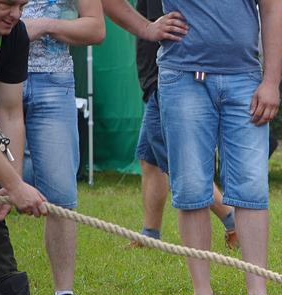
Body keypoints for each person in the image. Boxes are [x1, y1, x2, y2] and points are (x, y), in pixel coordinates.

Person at [156, 0, 282, 295]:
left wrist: (271, 82)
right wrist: (145, 27)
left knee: (252, 187)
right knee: (190, 188)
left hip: (246, 79)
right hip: (183, 77)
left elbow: (272, 11)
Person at [101, 0, 239, 250]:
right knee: (150, 159)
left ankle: (233, 221)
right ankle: (150, 234)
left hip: (167, 79)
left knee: (183, 165)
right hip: (157, 81)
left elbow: (169, 23)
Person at [20, 0, 104, 295]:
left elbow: (96, 28)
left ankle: (63, 294)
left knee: (61, 194)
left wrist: (43, 26)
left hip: (54, 84)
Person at [0, 0, 57, 295]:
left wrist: (7, 184)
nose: (15, 12)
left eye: (21, 4)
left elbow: (10, 110)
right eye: (5, 2)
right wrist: (16, 186)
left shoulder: (14, 33)